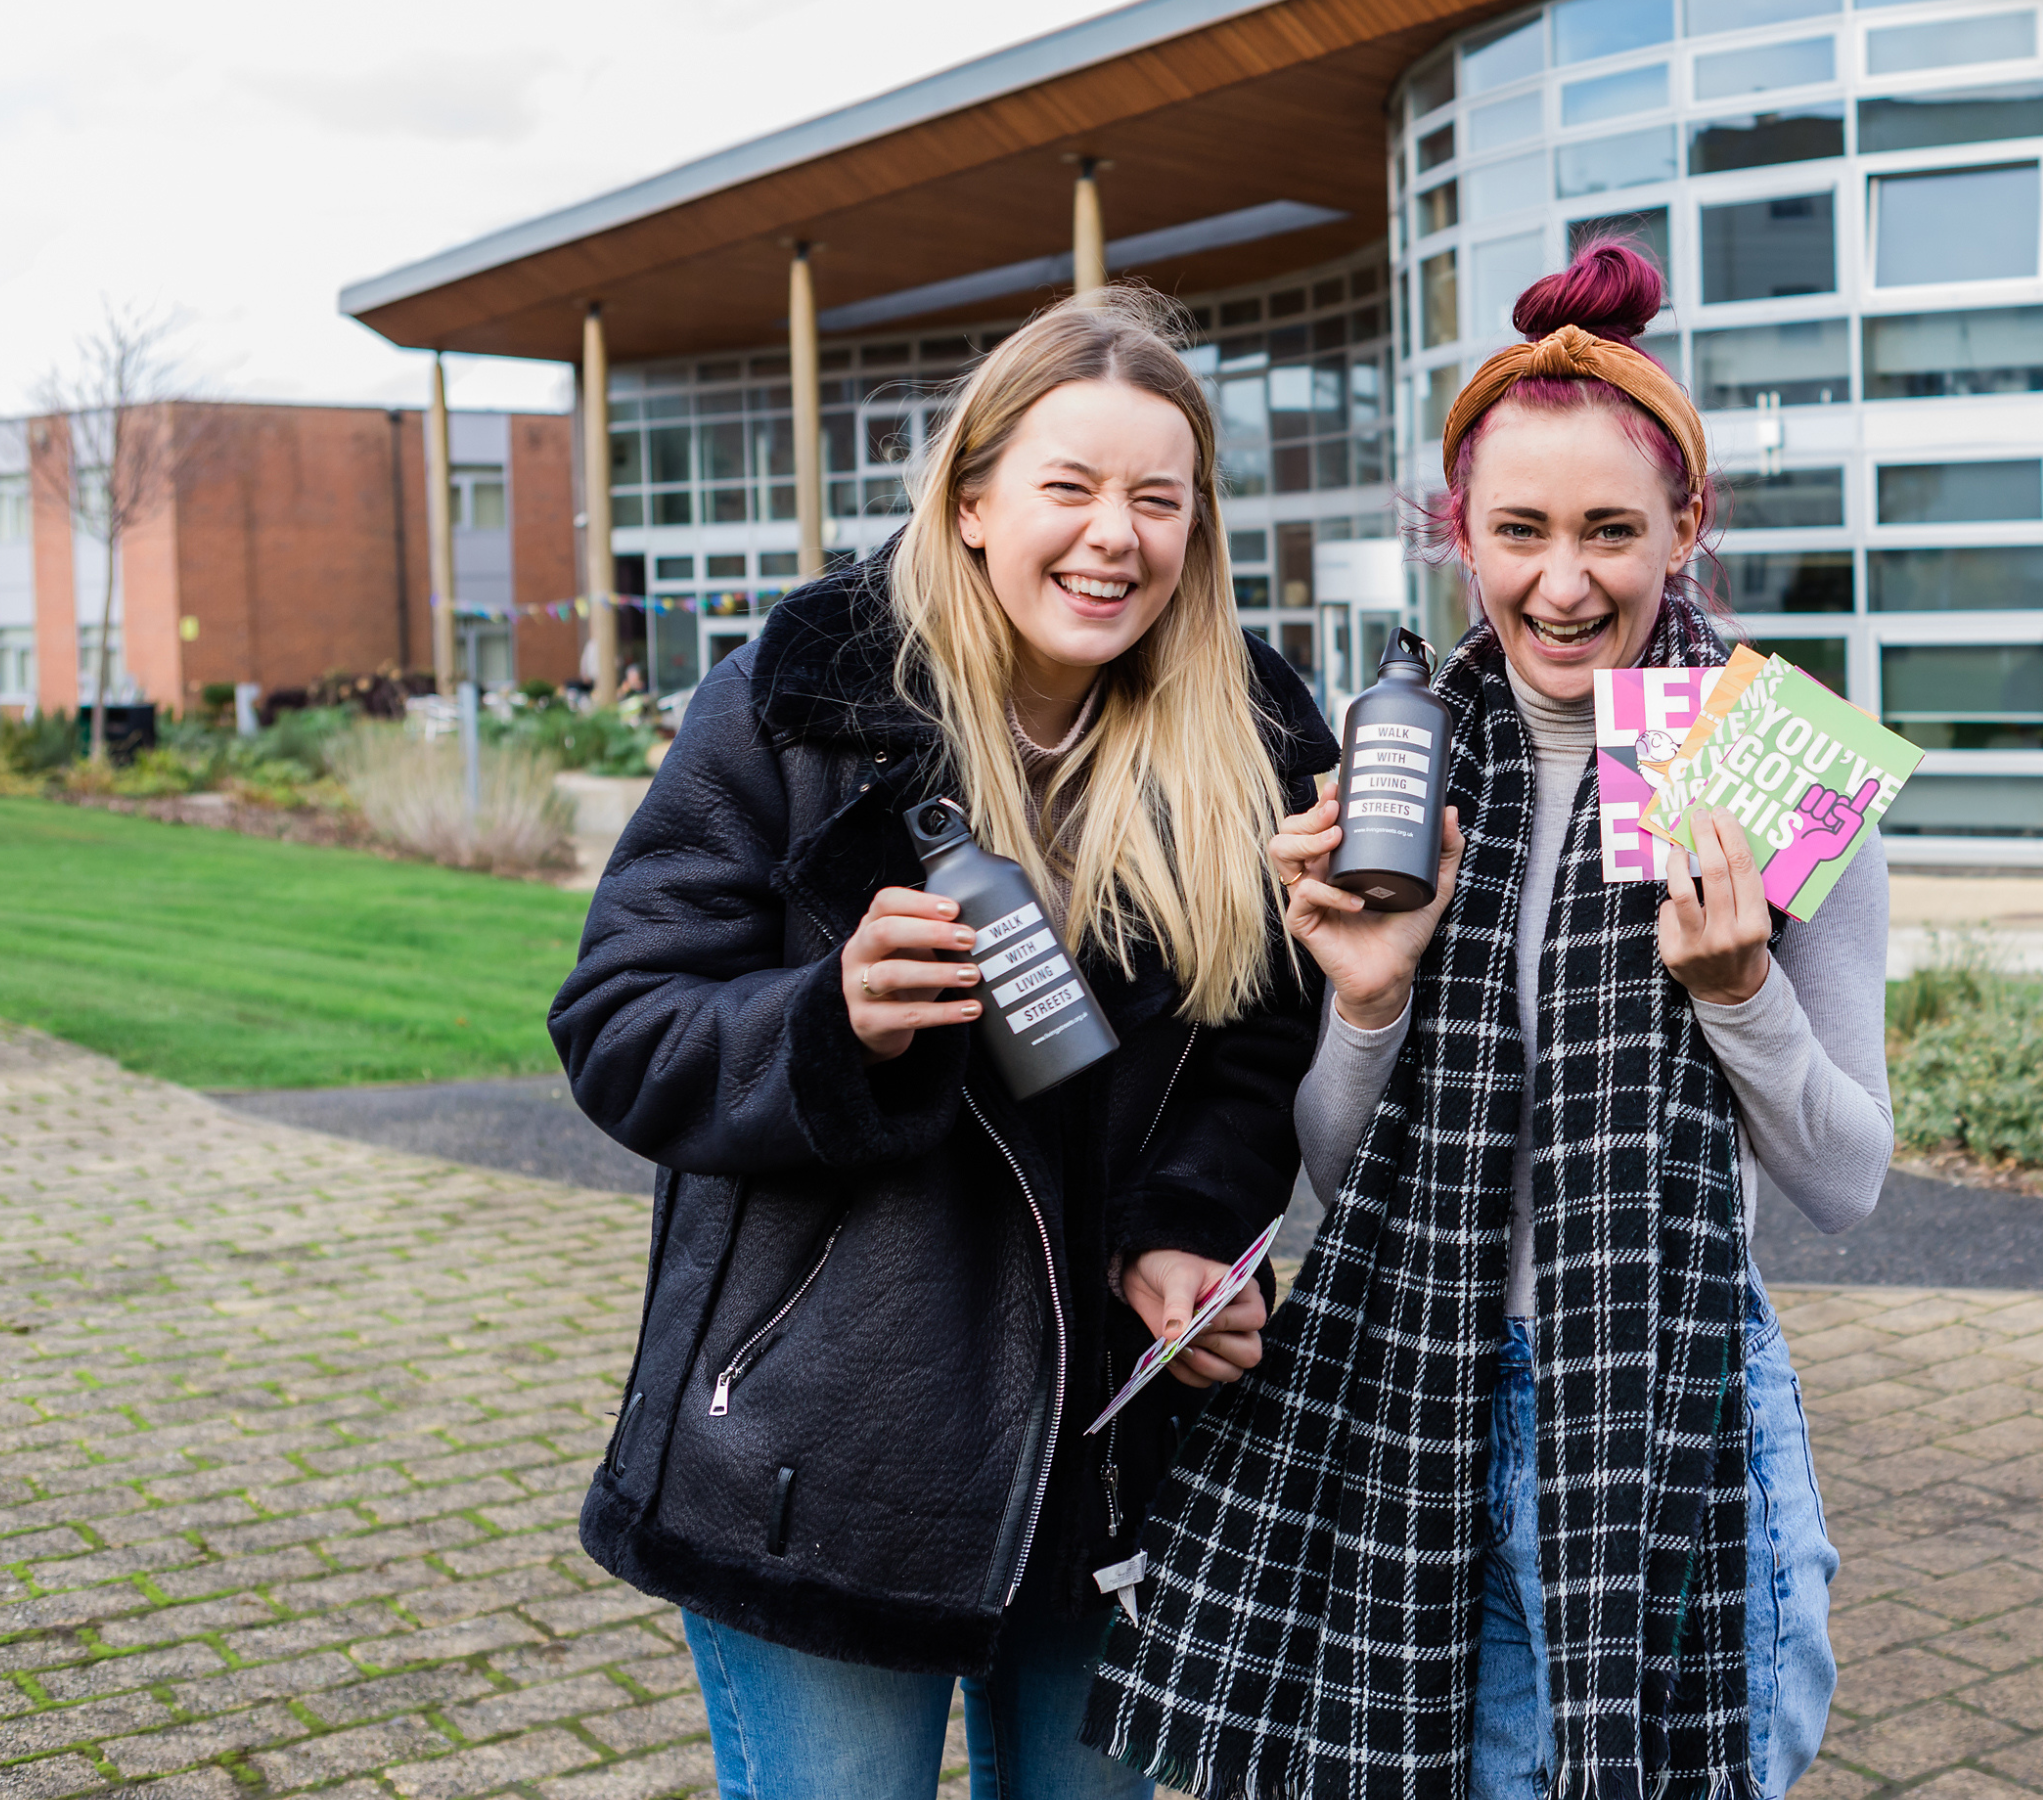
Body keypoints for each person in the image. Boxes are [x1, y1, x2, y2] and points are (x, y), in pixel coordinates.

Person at [1090, 241, 1888, 1800]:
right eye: (1518, 531)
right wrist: (1370, 999)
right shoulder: (1397, 760)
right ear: (1461, 536)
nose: (1564, 581)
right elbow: (1327, 1171)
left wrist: (1741, 1001)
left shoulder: (1771, 757)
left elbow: (1848, 1179)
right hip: (1411, 1386)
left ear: (1687, 529)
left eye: (1611, 531)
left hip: (1673, 1388)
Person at [551, 285, 1335, 1800]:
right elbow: (619, 1025)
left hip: (1117, 1448)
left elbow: (1255, 1052)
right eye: (1071, 487)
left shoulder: (1250, 746)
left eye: (1156, 501)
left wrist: (1190, 1234)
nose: (1116, 535)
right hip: (829, 1454)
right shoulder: (805, 700)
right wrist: (824, 1021)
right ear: (974, 502)